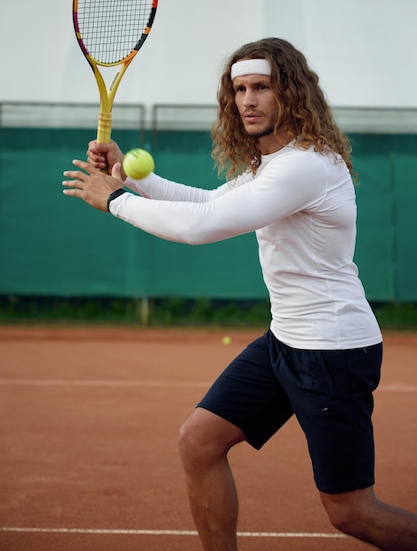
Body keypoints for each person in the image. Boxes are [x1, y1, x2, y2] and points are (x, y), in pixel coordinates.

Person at [63, 37, 417, 550]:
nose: (247, 100)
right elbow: (207, 201)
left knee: (353, 514)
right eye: (239, 89)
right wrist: (132, 179)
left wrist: (115, 201)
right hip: (285, 341)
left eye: (262, 88)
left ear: (290, 93)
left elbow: (204, 226)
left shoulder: (305, 166)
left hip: (332, 352)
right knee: (199, 442)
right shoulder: (272, 164)